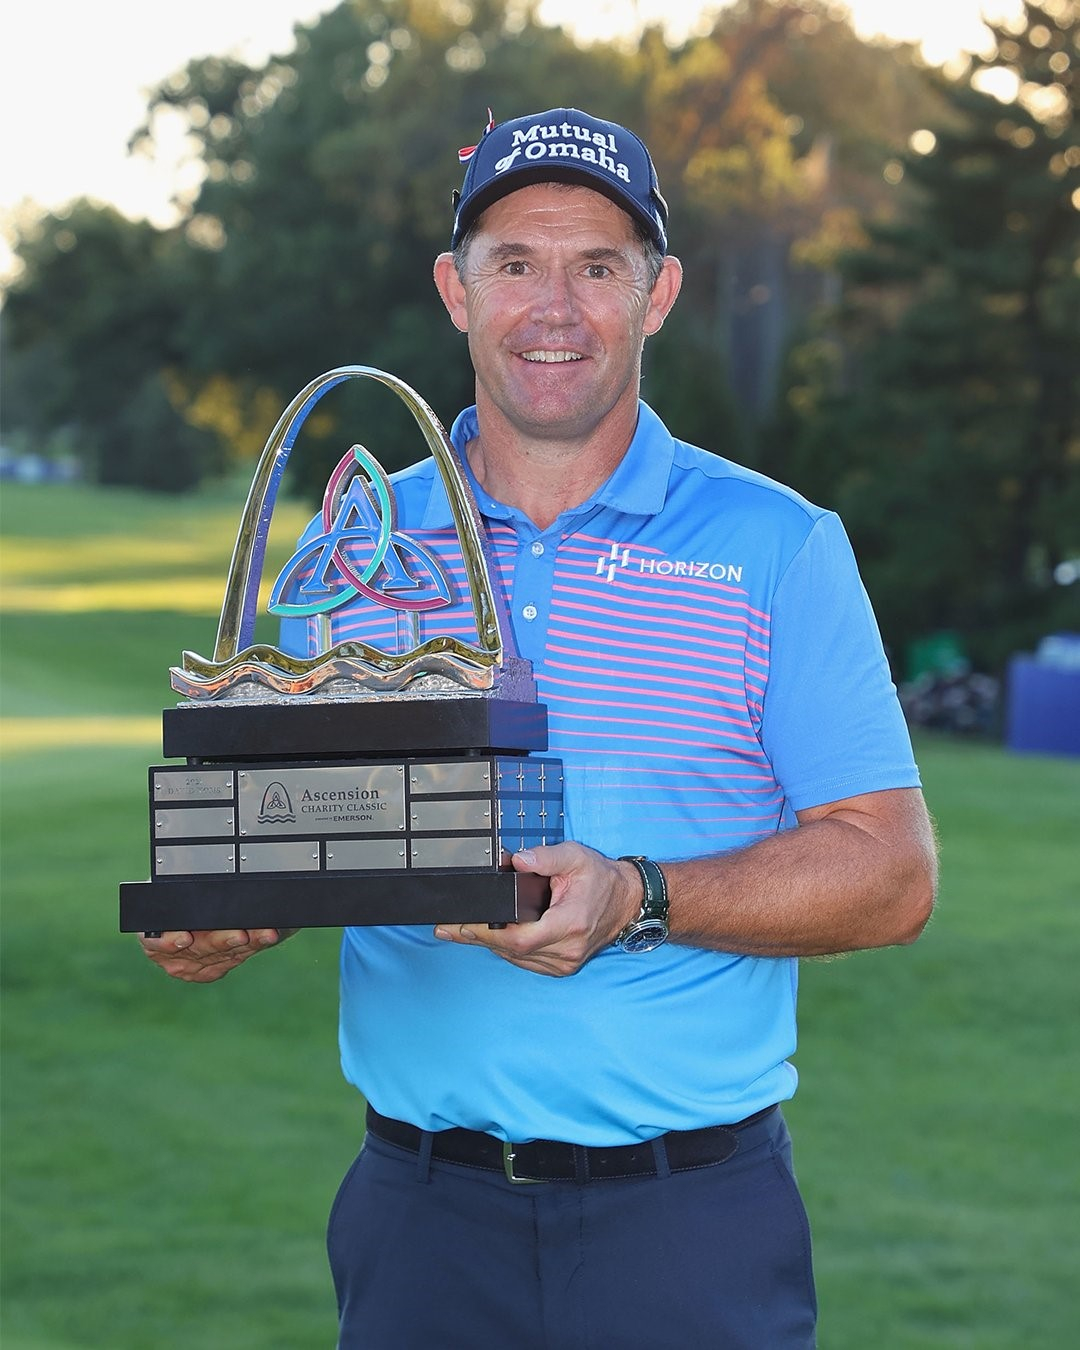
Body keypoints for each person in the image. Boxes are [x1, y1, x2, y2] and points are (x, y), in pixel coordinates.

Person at [142, 107, 937, 1348]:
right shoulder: (359, 544)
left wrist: (639, 896)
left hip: (689, 1229)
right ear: (456, 290)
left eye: (598, 267)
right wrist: (237, 905)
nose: (552, 306)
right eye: (515, 263)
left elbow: (892, 874)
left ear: (658, 294)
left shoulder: (778, 545)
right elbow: (306, 820)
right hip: (420, 1222)